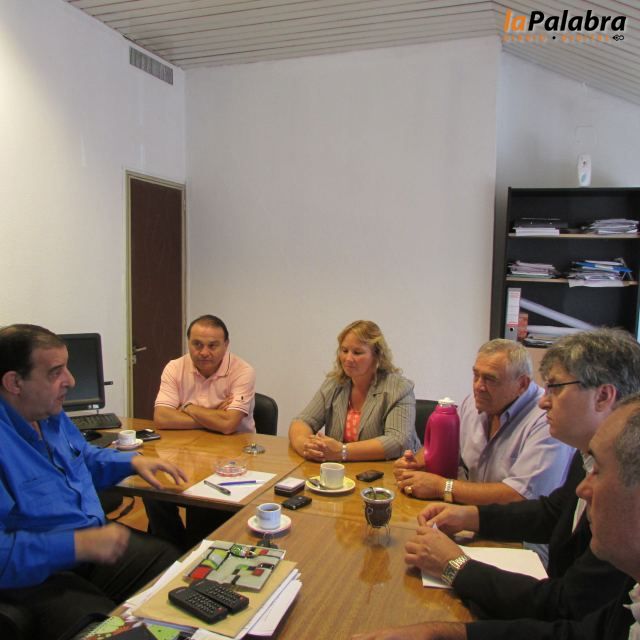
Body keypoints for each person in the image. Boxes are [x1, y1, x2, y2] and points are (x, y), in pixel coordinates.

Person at [351, 391, 640, 640]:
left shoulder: (621, 552)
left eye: (555, 386)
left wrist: (455, 566)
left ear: (603, 395)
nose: (582, 489)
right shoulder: (587, 458)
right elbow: (552, 512)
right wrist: (471, 516)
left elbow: (563, 606)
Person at [0, 324, 187, 640]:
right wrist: (78, 545)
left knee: (169, 564)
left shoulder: (49, 414)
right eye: (55, 372)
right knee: (108, 630)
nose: (70, 381)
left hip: (86, 545)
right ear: (14, 382)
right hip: (36, 574)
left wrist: (132, 462)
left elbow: (83, 457)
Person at [394, 339, 572, 505]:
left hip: (517, 525)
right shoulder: (473, 403)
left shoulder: (547, 419)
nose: (478, 386)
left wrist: (443, 487)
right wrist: (416, 463)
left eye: (490, 379)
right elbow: (444, 448)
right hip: (471, 513)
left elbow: (522, 496)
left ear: (522, 384)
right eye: (476, 375)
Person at [289, 320, 419, 462]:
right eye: (344, 351)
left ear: (377, 355)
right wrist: (306, 447)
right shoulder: (334, 383)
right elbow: (302, 421)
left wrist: (342, 451)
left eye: (357, 352)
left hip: (388, 470)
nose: (348, 358)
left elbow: (397, 441)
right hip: (342, 470)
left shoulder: (399, 388)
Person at [154, 314, 256, 434]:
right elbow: (161, 418)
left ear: (226, 345)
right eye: (197, 344)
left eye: (212, 346)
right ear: (188, 343)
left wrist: (187, 407)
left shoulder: (242, 371)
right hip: (189, 440)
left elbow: (228, 425)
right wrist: (216, 418)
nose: (204, 353)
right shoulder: (174, 367)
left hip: (236, 442)